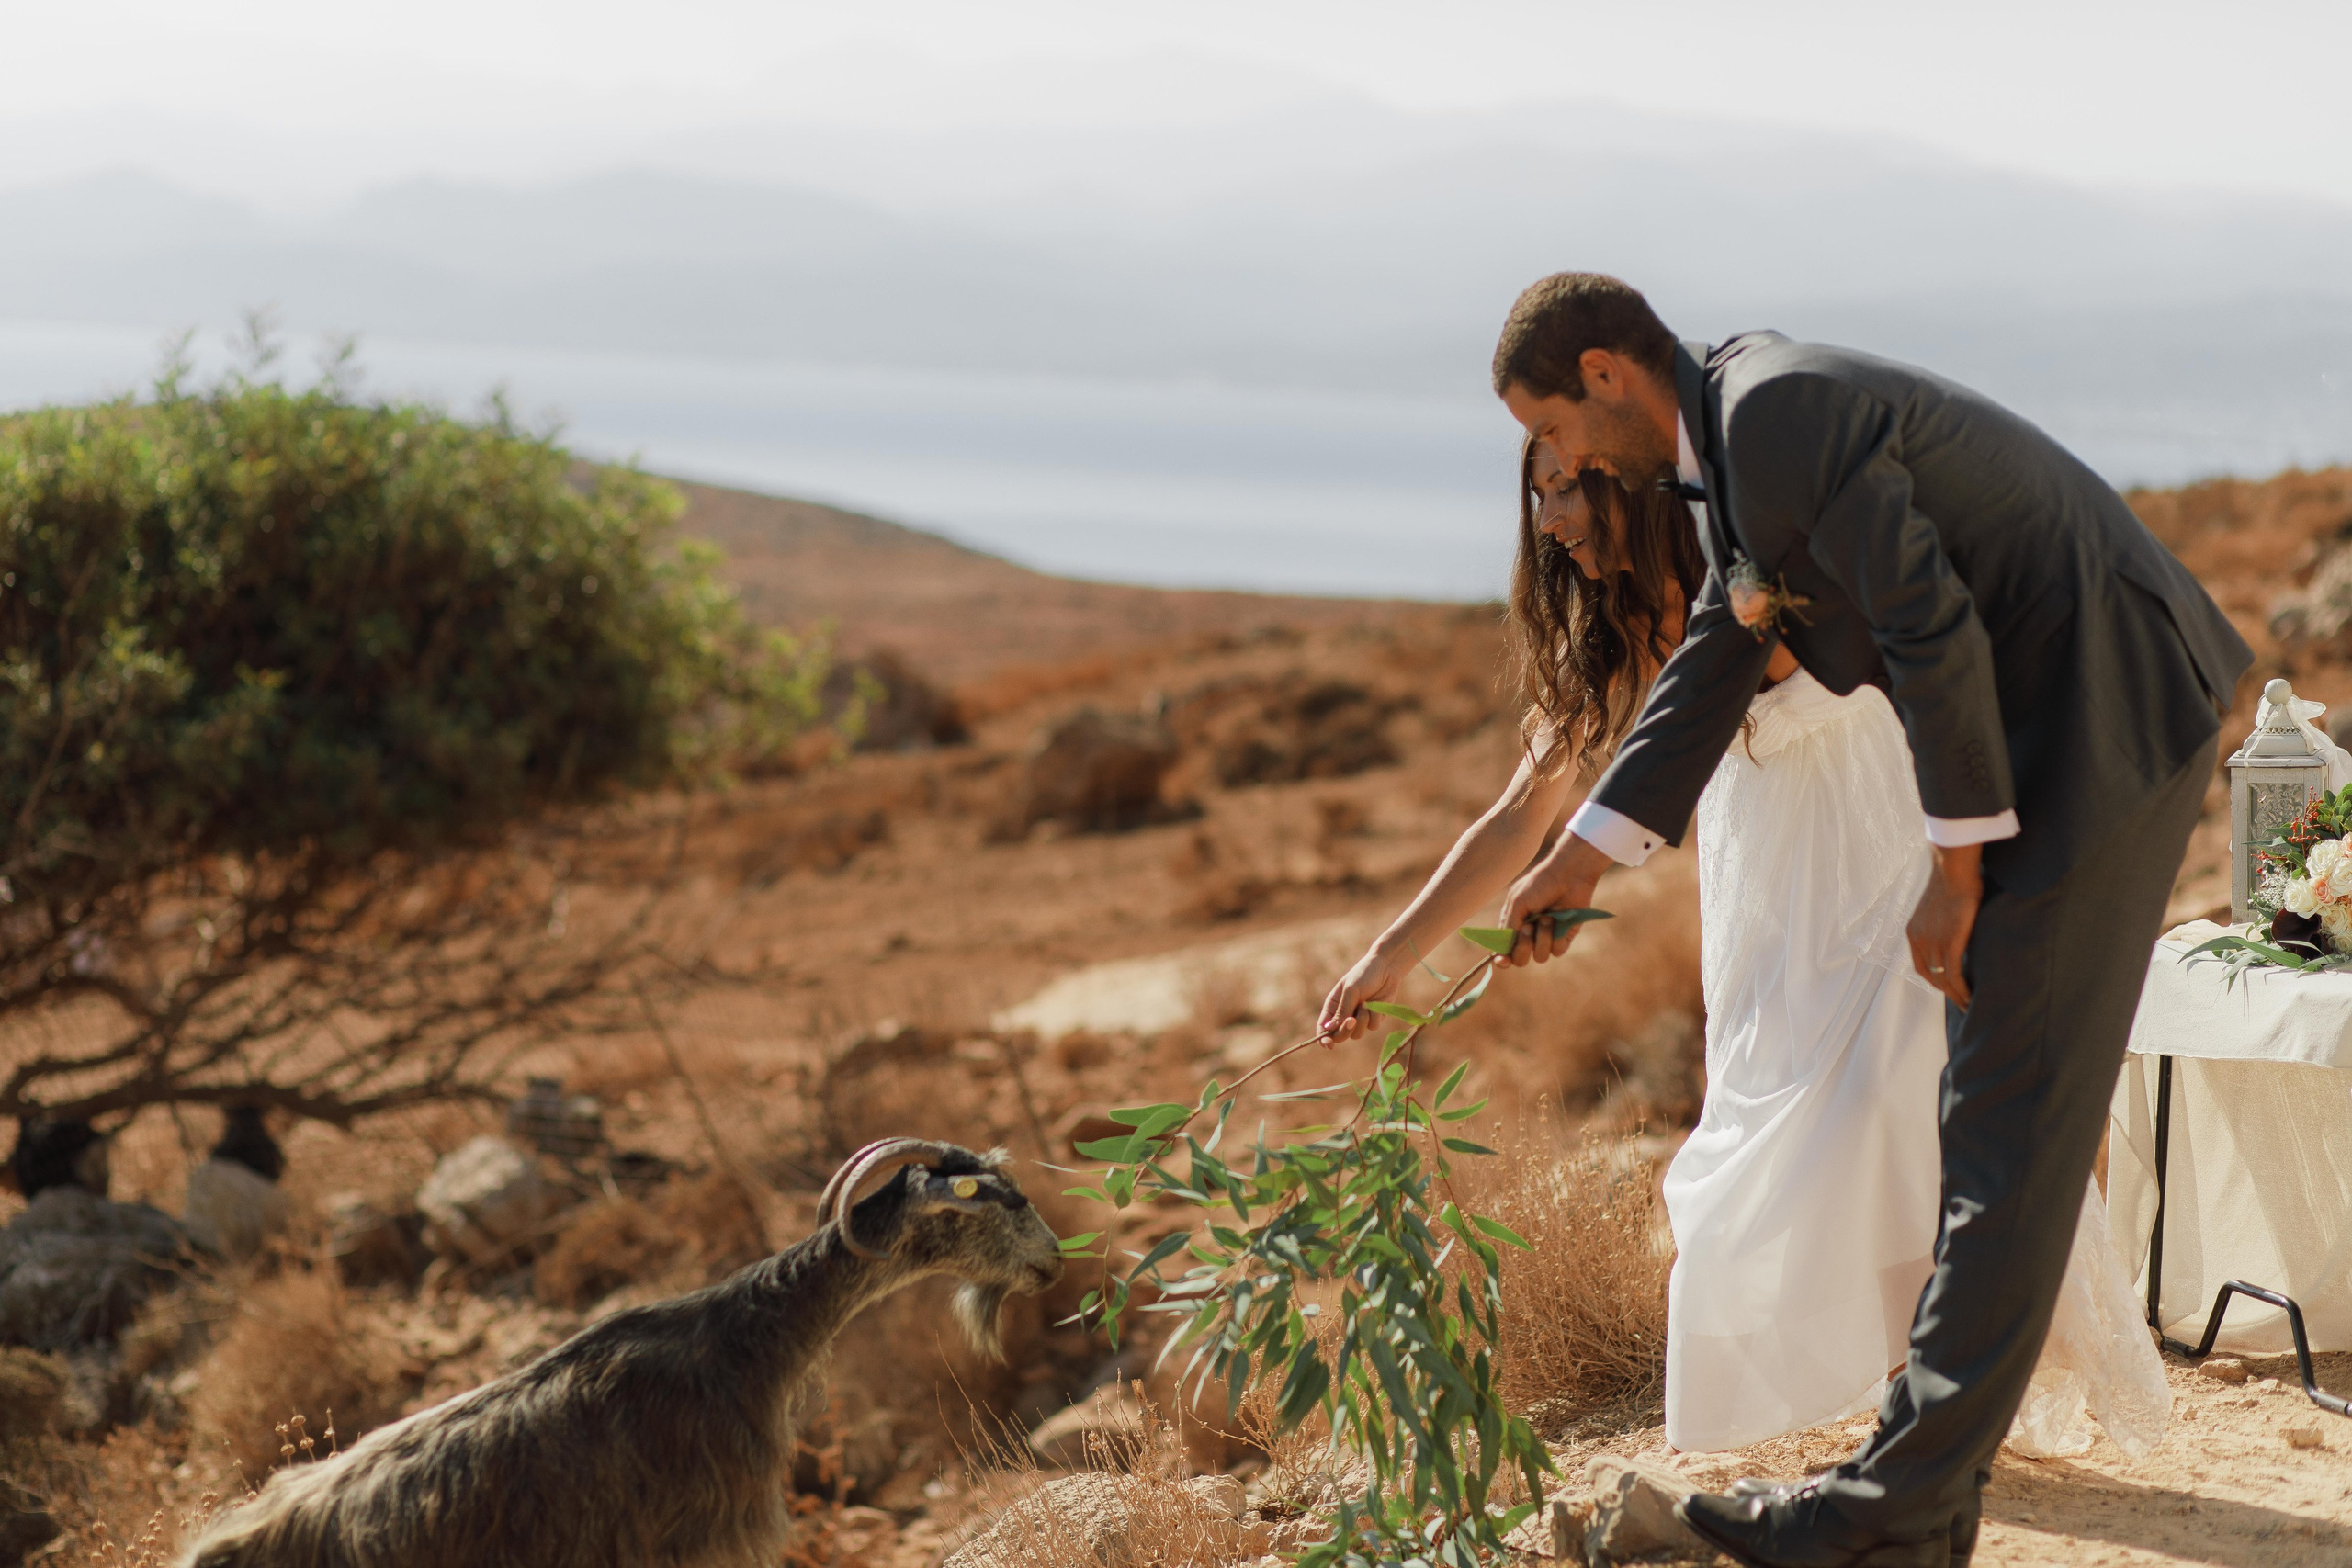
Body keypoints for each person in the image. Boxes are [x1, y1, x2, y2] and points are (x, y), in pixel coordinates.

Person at [1482, 275, 2250, 1568]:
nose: (1551, 464)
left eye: (1546, 429)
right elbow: (1725, 651)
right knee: (1995, 1108)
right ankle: (1916, 1495)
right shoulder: (1737, 436)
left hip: (2105, 706)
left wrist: (1952, 873)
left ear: (1604, 373)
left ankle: (1901, 1503)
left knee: (2009, 1110)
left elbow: (1930, 625)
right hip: (2058, 720)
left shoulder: (1770, 414)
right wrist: (1585, 850)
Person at [1318, 444, 2168, 1467]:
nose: (1546, 519)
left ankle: (1930, 1399)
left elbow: (1942, 672)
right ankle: (1913, 1394)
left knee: (1903, 1113)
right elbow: (1519, 817)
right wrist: (1387, 956)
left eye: (1562, 488)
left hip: (1892, 862)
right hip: (1771, 906)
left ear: (1620, 474)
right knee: (1767, 1162)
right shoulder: (1611, 634)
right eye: (1533, 496)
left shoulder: (1755, 567)